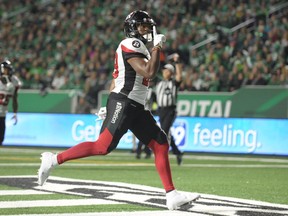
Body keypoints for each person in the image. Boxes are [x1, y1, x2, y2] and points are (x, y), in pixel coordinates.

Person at [37, 10, 200, 210]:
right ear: (133, 28)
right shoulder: (132, 43)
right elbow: (149, 71)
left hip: (133, 105)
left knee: (160, 144)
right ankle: (52, 159)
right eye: (143, 26)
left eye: (148, 26)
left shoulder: (137, 47)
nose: (147, 30)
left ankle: (171, 194)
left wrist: (109, 104)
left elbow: (118, 77)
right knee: (102, 147)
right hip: (125, 102)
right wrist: (157, 47)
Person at [155, 54, 184, 165]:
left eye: (167, 71)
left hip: (170, 110)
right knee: (166, 133)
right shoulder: (159, 83)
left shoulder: (173, 83)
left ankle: (161, 153)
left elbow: (179, 77)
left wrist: (177, 63)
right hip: (161, 110)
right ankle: (177, 152)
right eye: (164, 71)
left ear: (171, 72)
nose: (164, 72)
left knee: (164, 131)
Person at [0, 60, 22, 145]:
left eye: (8, 69)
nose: (8, 71)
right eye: (6, 69)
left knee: (1, 139)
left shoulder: (14, 81)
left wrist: (15, 113)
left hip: (2, 114)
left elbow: (15, 98)